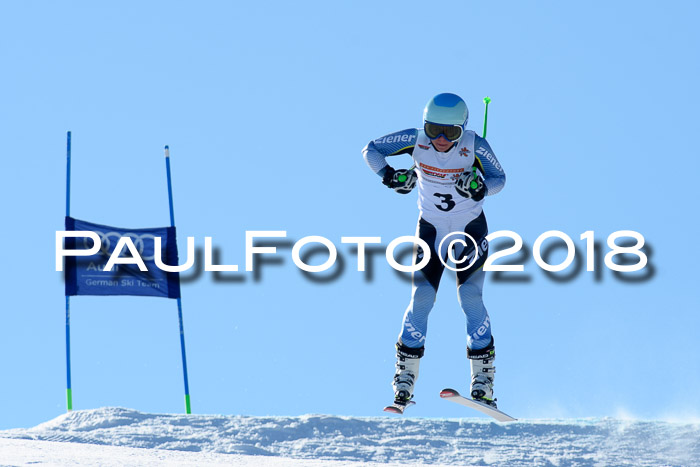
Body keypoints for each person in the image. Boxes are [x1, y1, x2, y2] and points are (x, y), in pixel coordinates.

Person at [362, 93, 506, 409]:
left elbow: (499, 179)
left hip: (469, 230)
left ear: (462, 129)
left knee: (470, 297)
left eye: (450, 132)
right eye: (433, 129)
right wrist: (389, 176)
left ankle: (483, 380)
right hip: (431, 230)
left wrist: (480, 187)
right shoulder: (416, 140)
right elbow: (371, 151)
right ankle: (405, 378)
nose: (441, 139)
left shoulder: (475, 145)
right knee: (422, 298)